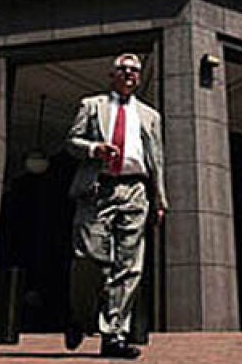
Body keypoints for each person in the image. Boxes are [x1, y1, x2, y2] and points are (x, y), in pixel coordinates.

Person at [63, 53, 168, 359]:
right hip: (98, 188)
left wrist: (159, 199)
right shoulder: (91, 105)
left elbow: (157, 160)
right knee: (89, 257)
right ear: (112, 75)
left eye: (135, 70)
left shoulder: (150, 115)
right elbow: (71, 142)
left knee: (129, 264)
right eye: (123, 69)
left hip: (136, 190)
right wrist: (94, 149)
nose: (130, 74)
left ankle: (114, 334)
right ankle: (80, 316)